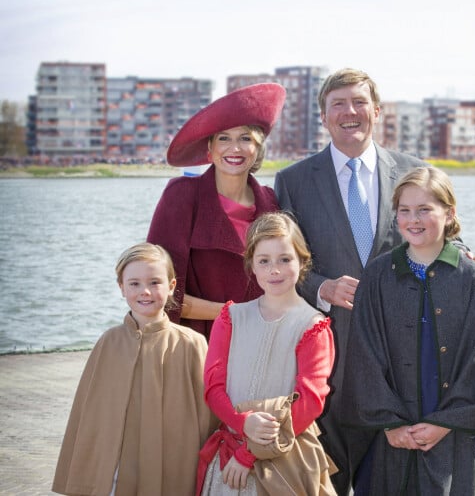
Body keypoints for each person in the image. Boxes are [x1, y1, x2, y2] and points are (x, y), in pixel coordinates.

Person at [274, 67, 427, 494]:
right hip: (329, 361)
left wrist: (463, 253)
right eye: (337, 104)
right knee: (330, 481)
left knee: (395, 479)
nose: (349, 112)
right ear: (323, 117)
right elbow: (283, 262)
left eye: (359, 102)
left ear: (376, 111)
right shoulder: (294, 181)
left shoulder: (414, 173)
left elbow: (438, 233)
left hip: (400, 360)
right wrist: (321, 287)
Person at [339, 166, 475, 494]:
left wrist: (443, 424)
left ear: (449, 214)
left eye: (424, 210)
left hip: (454, 431)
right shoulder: (378, 275)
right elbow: (364, 353)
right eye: (404, 210)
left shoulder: (473, 279)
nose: (413, 220)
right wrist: (389, 423)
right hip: (389, 431)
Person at [52, 243, 215, 496]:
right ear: (121, 287)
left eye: (155, 282)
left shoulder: (191, 343)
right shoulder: (109, 342)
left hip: (170, 459)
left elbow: (207, 416)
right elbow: (88, 413)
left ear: (172, 286)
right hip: (115, 465)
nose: (145, 292)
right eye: (134, 283)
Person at [196, 212, 337, 495]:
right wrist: (244, 422)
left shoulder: (312, 326)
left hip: (284, 456)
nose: (275, 270)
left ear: (301, 261)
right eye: (264, 261)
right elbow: (213, 387)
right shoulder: (232, 317)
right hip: (230, 453)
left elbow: (309, 402)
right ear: (252, 265)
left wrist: (249, 454)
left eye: (285, 259)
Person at [147, 83, 285, 339]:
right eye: (224, 138)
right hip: (198, 344)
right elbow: (156, 286)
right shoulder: (182, 195)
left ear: (257, 150)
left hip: (263, 342)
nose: (235, 148)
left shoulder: (272, 202)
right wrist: (230, 313)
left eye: (246, 138)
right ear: (209, 149)